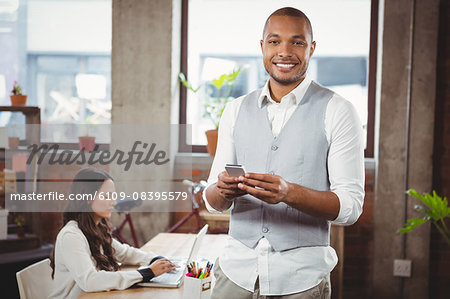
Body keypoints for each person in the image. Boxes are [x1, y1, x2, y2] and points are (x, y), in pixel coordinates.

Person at [204, 7, 365, 299]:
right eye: (275, 41)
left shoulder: (338, 110)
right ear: (262, 46)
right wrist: (222, 190)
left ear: (311, 48)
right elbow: (213, 201)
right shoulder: (235, 110)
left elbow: (350, 207)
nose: (285, 52)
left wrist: (289, 193)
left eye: (297, 42)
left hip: (299, 281)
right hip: (234, 275)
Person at [49, 168, 176, 299]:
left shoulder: (97, 228)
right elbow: (90, 280)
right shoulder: (71, 236)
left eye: (113, 196)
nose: (114, 203)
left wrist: (157, 260)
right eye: (106, 196)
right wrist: (147, 273)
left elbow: (125, 253)